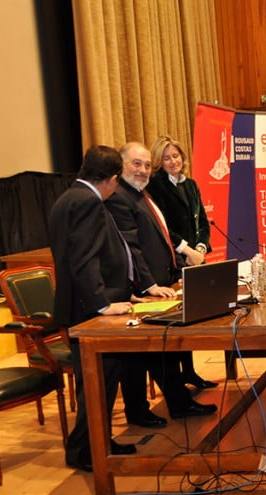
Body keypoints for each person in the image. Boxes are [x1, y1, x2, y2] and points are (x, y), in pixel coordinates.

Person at [47, 146, 156, 471]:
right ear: (110, 179)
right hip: (89, 313)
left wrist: (123, 293)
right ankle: (86, 451)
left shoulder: (68, 198)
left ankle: (94, 445)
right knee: (97, 386)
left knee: (99, 387)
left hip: (89, 306)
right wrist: (103, 304)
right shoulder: (87, 202)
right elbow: (84, 260)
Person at [107, 142, 218, 424]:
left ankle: (176, 403)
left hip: (160, 283)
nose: (143, 170)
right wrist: (146, 286)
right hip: (140, 290)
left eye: (146, 165)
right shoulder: (121, 197)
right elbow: (132, 247)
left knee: (160, 350)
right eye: (136, 164)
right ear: (121, 166)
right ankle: (142, 411)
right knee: (140, 356)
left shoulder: (140, 194)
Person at [146, 136, 211, 267]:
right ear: (159, 162)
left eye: (175, 156)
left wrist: (199, 250)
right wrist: (188, 251)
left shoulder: (191, 184)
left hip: (196, 258)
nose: (173, 161)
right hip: (173, 259)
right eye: (166, 158)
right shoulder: (154, 186)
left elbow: (203, 222)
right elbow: (161, 226)